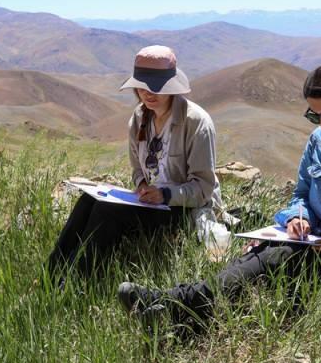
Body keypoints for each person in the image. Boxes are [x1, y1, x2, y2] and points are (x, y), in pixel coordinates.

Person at [117, 61, 321, 329]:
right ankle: (178, 313)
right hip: (318, 244)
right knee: (261, 257)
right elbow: (301, 194)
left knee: (273, 261)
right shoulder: (320, 141)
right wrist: (298, 218)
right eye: (315, 117)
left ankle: (174, 306)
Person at [48, 45, 223, 281]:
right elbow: (138, 170)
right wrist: (141, 184)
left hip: (182, 210)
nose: (148, 93)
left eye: (156, 87)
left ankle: (80, 281)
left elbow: (203, 189)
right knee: (88, 200)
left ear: (171, 88)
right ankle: (52, 272)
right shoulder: (139, 118)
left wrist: (164, 195)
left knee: (107, 210)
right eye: (142, 87)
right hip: (151, 204)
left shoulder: (196, 123)